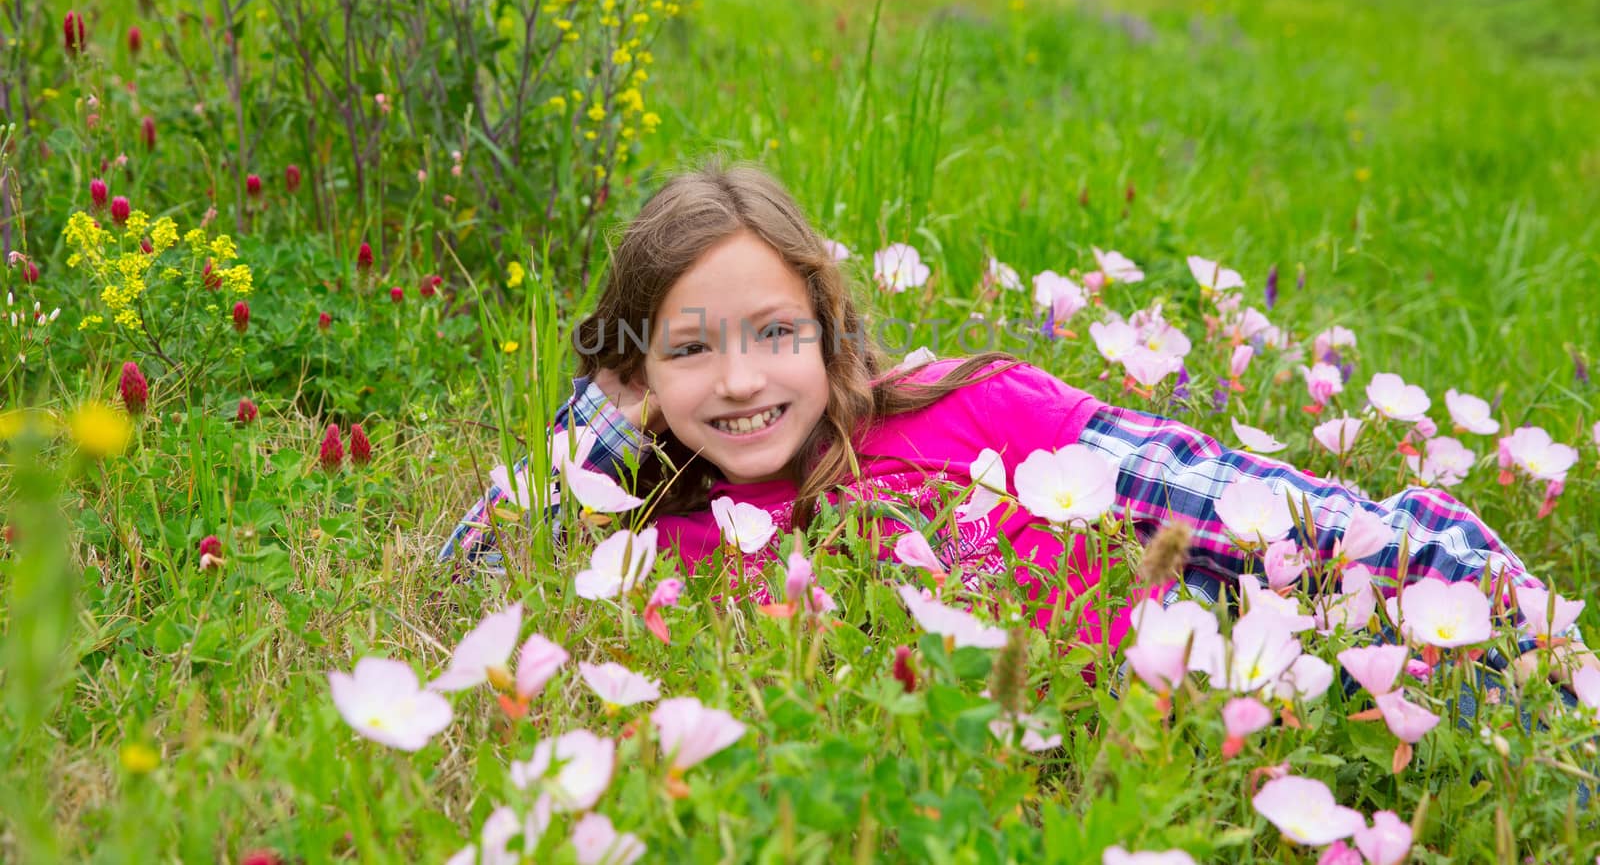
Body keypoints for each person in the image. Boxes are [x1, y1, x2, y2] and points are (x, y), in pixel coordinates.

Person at [440, 161, 1590, 680]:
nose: (738, 380)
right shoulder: (664, 536)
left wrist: (1477, 590)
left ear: (834, 330)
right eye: (689, 347)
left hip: (1316, 656)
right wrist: (613, 390)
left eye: (775, 332)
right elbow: (471, 570)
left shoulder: (976, 414)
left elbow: (1236, 501)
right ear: (637, 373)